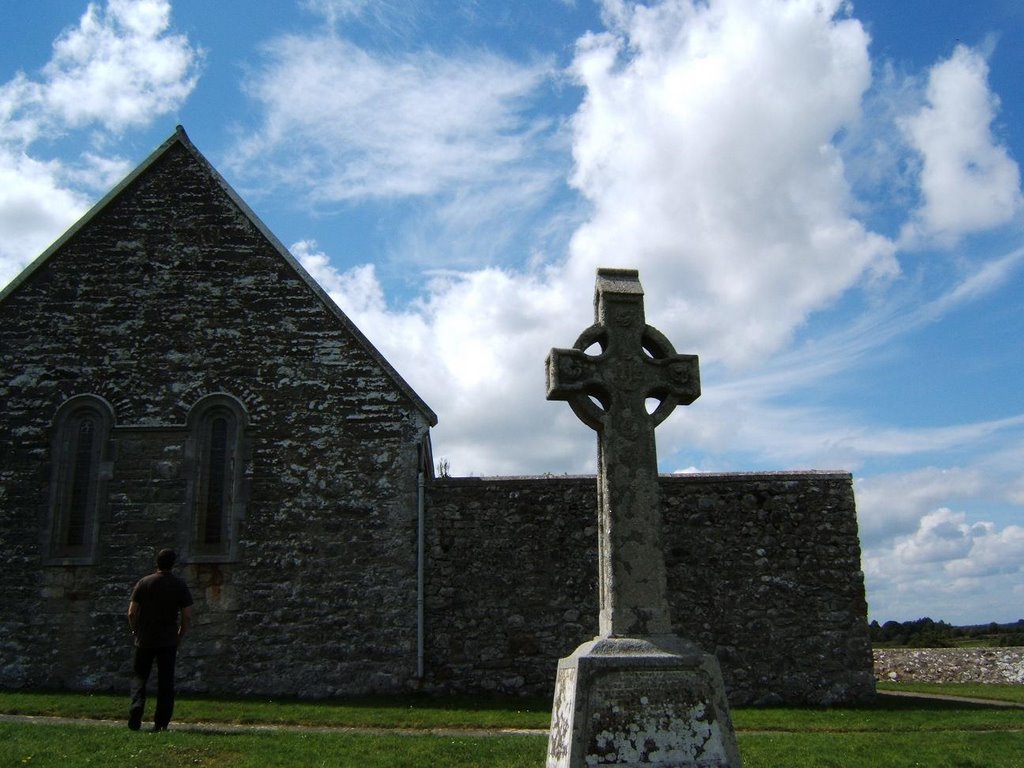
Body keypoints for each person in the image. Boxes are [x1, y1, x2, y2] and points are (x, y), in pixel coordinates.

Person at [127, 548, 194, 731]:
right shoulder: (179, 585)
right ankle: (161, 723)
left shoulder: (144, 582)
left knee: (140, 677)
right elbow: (187, 615)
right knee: (166, 681)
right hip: (168, 640)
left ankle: (136, 707)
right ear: (173, 564)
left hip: (145, 638)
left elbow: (132, 612)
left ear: (157, 562)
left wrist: (135, 631)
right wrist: (180, 633)